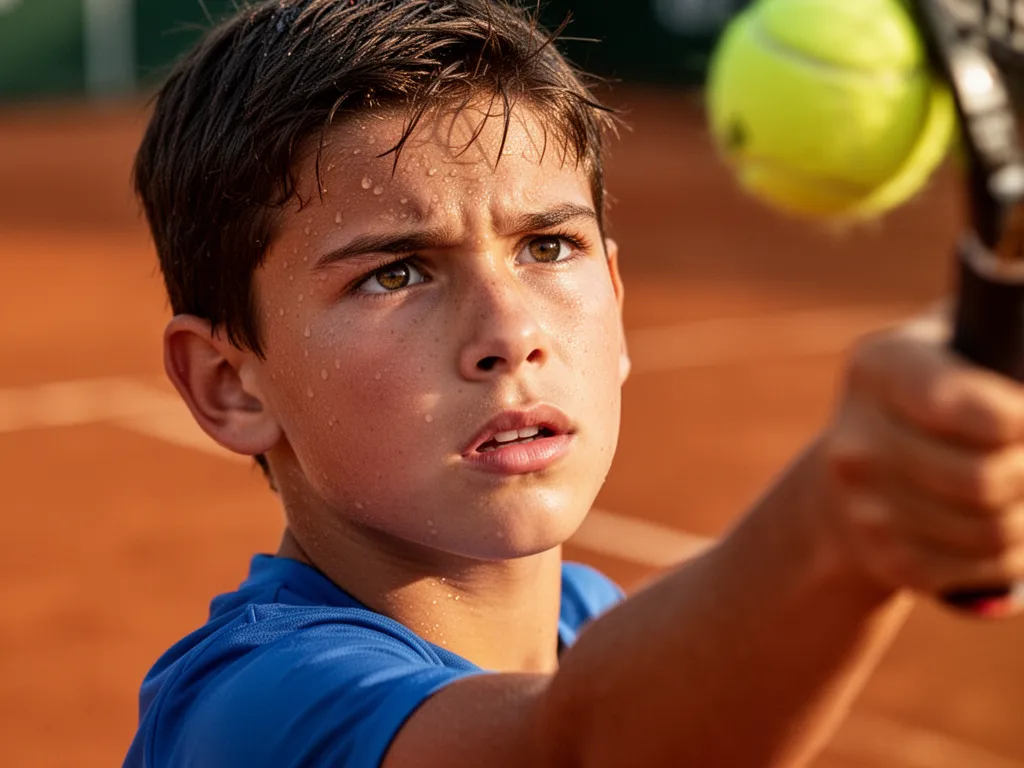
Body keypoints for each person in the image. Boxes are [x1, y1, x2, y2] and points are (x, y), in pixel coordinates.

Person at [123, 1, 1024, 766]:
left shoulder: (587, 618)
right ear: (229, 384)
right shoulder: (252, 709)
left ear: (618, 301)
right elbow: (572, 749)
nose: (511, 333)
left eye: (549, 247)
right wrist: (836, 532)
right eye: (394, 273)